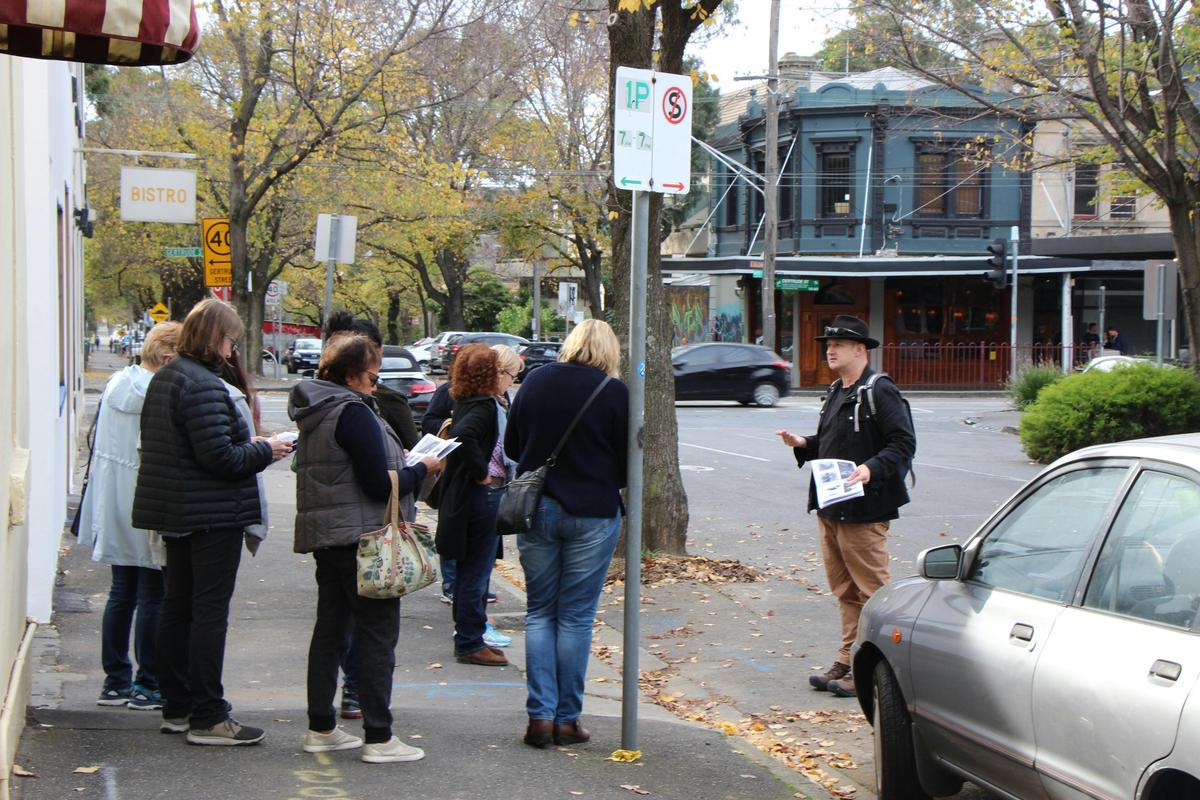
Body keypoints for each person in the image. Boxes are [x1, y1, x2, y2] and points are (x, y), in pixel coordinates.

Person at [132, 299, 292, 746]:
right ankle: (208, 716)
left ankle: (178, 707)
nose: (231, 348)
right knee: (207, 614)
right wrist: (268, 449)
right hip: (210, 515)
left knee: (177, 608)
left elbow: (194, 448)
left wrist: (254, 444)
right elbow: (220, 457)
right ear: (213, 338)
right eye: (229, 339)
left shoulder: (168, 377)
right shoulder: (202, 384)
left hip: (177, 510)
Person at [289, 332, 442, 763]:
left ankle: (321, 726)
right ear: (354, 375)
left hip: (331, 537)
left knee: (330, 631)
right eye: (374, 376)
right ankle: (380, 736)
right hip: (365, 539)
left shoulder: (317, 408)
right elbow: (377, 483)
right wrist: (420, 468)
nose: (377, 384)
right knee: (376, 636)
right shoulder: (352, 412)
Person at [774, 314, 915, 700]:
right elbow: (835, 443)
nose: (829, 350)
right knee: (845, 590)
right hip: (831, 506)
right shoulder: (837, 389)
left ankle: (876, 669)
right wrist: (804, 443)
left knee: (872, 592)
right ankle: (848, 657)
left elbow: (903, 444)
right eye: (827, 344)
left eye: (837, 344)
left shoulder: (879, 390)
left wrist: (872, 468)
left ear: (860, 350)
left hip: (865, 511)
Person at [504, 319, 629, 748]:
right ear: (609, 351)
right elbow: (629, 461)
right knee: (575, 617)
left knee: (540, 612)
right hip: (593, 513)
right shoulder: (613, 392)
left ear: (571, 344)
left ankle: (539, 718)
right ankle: (567, 719)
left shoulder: (535, 381)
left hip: (538, 508)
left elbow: (514, 448)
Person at [78, 322, 182, 711]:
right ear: (169, 358)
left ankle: (115, 681)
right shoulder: (160, 394)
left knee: (121, 593)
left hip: (114, 501)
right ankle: (148, 683)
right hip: (149, 500)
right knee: (153, 594)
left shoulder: (117, 384)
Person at [435, 344, 513, 667]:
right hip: (483, 496)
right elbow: (465, 439)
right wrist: (483, 473)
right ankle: (469, 641)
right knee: (476, 573)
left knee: (473, 570)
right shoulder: (482, 406)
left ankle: (471, 636)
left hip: (468, 497)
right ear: (489, 374)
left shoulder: (464, 401)